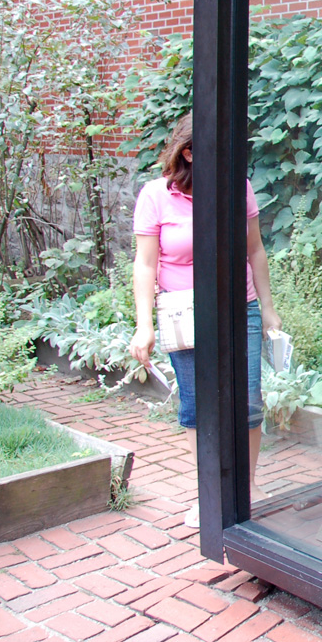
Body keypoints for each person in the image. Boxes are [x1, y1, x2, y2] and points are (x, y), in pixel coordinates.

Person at [129, 115, 282, 528]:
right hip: (183, 313)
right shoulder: (155, 196)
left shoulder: (239, 189)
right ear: (189, 153)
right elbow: (144, 265)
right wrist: (144, 325)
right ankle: (210, 493)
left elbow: (255, 252)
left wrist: (268, 308)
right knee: (198, 404)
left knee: (248, 400)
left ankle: (245, 488)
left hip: (239, 307)